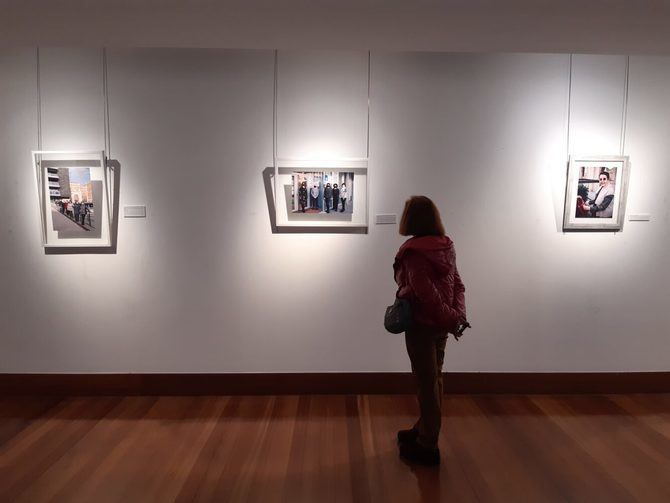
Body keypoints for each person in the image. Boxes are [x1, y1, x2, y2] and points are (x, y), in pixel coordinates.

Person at [393, 195, 466, 466]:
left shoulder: (412, 252)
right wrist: (456, 317)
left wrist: (449, 318)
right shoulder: (445, 246)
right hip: (440, 325)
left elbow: (426, 295)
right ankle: (424, 427)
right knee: (434, 379)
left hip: (422, 325)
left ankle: (428, 444)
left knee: (426, 383)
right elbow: (458, 284)